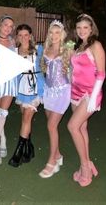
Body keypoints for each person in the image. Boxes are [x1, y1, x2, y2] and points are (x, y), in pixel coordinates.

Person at [67, 13, 106, 187]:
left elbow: (101, 74)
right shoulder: (78, 47)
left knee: (72, 126)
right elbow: (73, 70)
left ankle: (85, 169)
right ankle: (88, 162)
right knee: (82, 127)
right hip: (75, 92)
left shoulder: (96, 45)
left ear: (92, 29)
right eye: (79, 27)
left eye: (85, 27)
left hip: (90, 93)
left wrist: (93, 98)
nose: (82, 30)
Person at [38, 20, 72, 178]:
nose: (54, 35)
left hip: (63, 91)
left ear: (62, 34)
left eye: (57, 32)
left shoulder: (68, 50)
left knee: (52, 126)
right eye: (51, 32)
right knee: (50, 125)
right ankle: (58, 155)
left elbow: (78, 67)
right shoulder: (46, 49)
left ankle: (51, 162)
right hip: (48, 91)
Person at [8, 24, 45, 167]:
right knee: (25, 119)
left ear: (30, 35)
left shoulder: (39, 50)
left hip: (35, 87)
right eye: (20, 35)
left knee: (26, 118)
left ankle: (18, 152)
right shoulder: (14, 51)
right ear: (17, 36)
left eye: (26, 35)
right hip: (21, 88)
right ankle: (29, 149)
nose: (23, 38)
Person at [0, 15, 17, 165]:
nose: (8, 28)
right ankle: (3, 139)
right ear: (0, 25)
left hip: (10, 80)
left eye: (11, 26)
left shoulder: (13, 41)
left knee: (4, 111)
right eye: (6, 25)